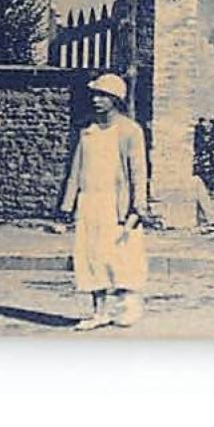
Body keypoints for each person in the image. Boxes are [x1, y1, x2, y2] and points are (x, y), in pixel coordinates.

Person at [60, 73, 152, 330]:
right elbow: (76, 169)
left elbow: (138, 172)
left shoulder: (130, 131)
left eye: (103, 96)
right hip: (89, 202)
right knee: (92, 257)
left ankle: (129, 307)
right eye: (95, 95)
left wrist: (138, 208)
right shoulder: (86, 130)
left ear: (116, 100)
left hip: (117, 207)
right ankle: (99, 312)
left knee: (121, 257)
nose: (97, 100)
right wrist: (68, 204)